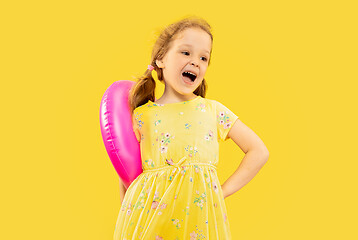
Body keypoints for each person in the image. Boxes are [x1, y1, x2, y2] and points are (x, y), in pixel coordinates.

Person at [114, 16, 269, 240]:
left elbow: (259, 151)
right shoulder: (141, 115)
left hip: (198, 221)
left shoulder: (212, 110)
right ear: (160, 59)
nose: (196, 61)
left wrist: (220, 192)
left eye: (203, 57)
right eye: (186, 52)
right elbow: (126, 175)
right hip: (149, 221)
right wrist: (127, 221)